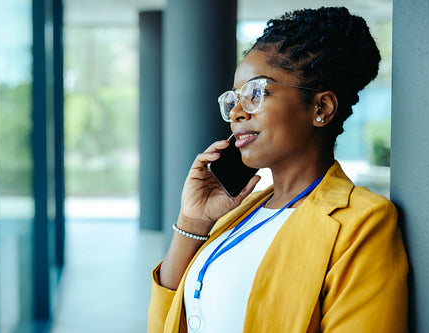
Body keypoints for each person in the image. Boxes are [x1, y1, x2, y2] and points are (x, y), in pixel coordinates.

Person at [148, 7, 408, 333]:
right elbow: (164, 323)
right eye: (234, 98)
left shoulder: (361, 223)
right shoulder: (239, 212)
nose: (237, 113)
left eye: (257, 93)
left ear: (321, 108)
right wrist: (193, 221)